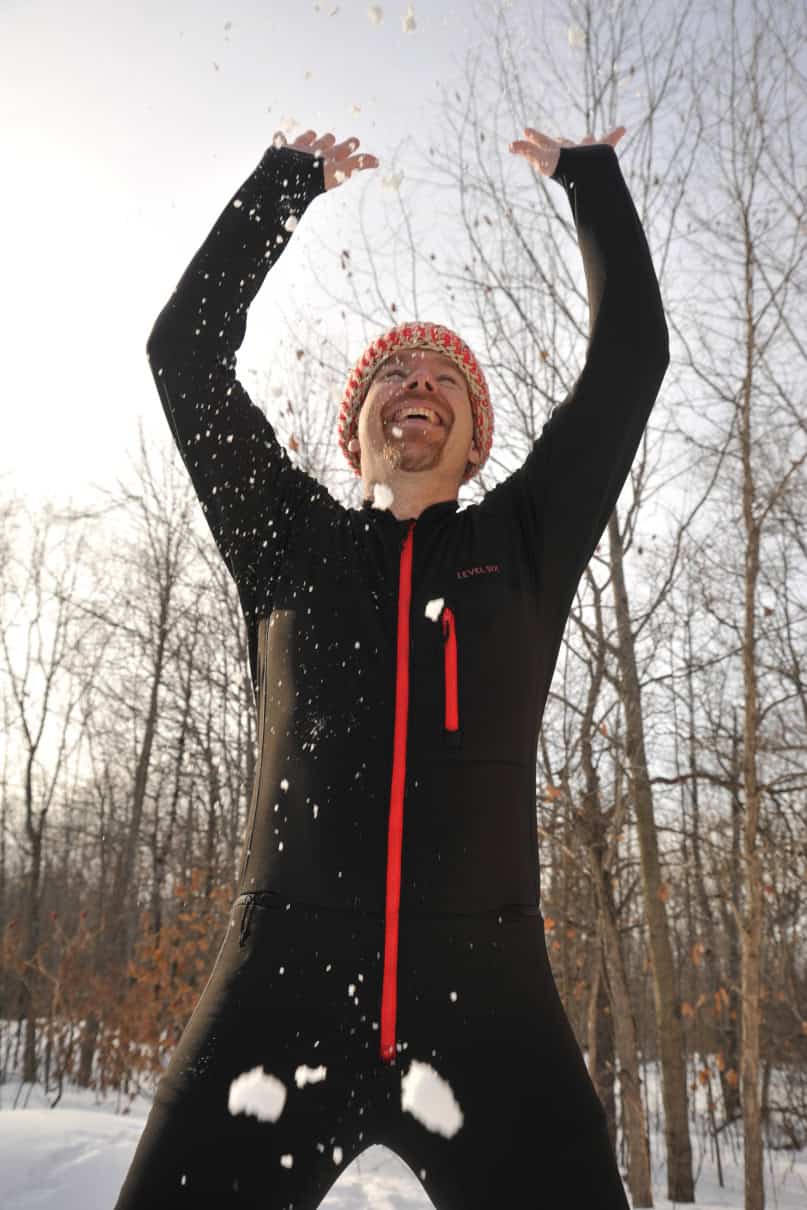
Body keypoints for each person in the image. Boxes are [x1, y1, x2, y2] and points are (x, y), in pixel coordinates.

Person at [115, 120, 668, 1209]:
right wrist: (284, 187)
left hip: (489, 1004)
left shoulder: (525, 545)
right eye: (392, 373)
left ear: (475, 441)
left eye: (446, 377)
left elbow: (631, 359)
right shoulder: (284, 541)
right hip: (276, 994)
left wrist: (592, 185)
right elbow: (184, 351)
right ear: (353, 430)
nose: (418, 380)